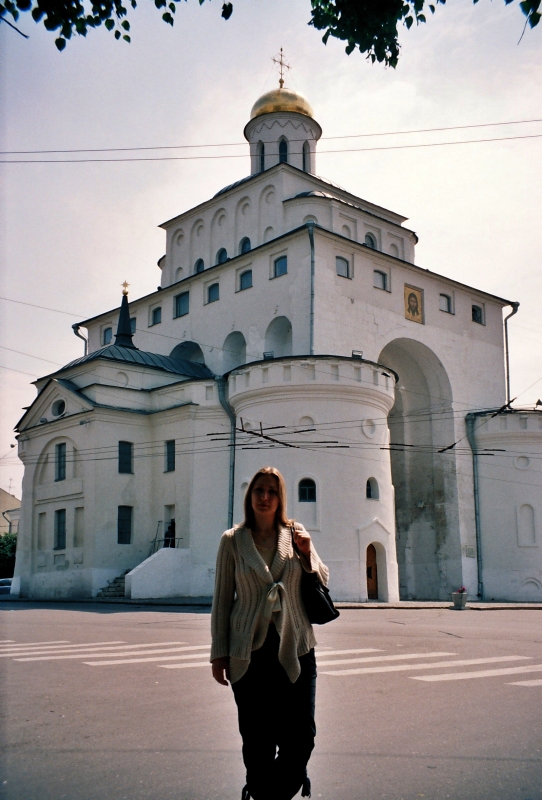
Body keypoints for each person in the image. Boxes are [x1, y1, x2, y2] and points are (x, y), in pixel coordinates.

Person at [210, 466, 330, 800]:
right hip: (248, 653)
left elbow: (322, 578)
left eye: (272, 492)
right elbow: (221, 600)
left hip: (297, 648)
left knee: (301, 738)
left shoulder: (295, 532)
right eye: (259, 491)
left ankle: (267, 795)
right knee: (258, 741)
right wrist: (218, 653)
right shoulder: (232, 541)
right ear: (249, 496)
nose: (265, 497)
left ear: (281, 499)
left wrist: (306, 553)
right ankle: (263, 792)